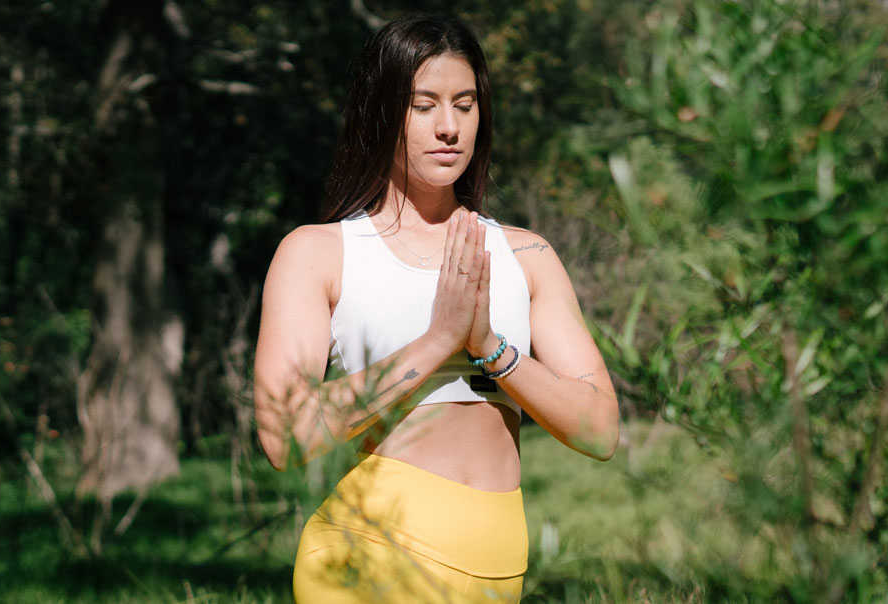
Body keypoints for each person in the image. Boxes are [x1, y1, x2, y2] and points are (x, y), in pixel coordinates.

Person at [254, 13, 619, 604]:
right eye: (423, 105)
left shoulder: (526, 255)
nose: (449, 127)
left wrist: (489, 348)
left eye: (465, 104)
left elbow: (600, 429)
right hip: (366, 559)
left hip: (496, 569)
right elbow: (283, 436)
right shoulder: (319, 254)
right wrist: (436, 340)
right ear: (381, 112)